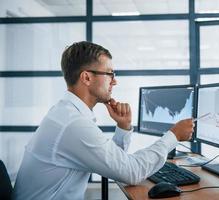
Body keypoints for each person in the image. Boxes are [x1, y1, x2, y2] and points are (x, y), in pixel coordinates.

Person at [13, 41, 194, 200]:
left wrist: (123, 127)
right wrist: (174, 136)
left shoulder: (67, 114)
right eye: (110, 74)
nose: (114, 82)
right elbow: (131, 172)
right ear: (87, 77)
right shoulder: (73, 125)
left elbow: (114, 164)